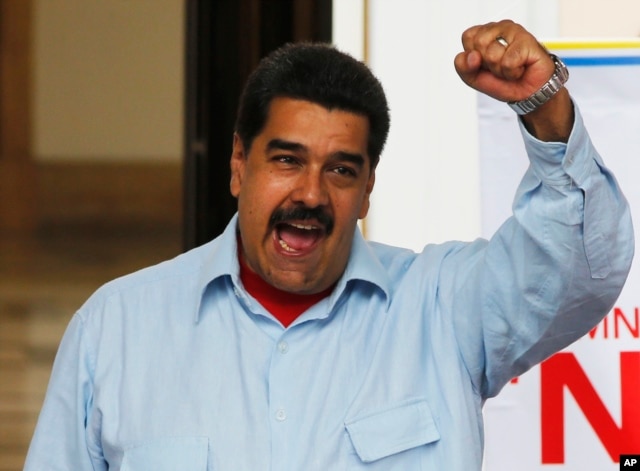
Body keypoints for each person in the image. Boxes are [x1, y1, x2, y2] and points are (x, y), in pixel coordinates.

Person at [25, 20, 633, 470]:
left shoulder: (443, 308)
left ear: (368, 188)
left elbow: (583, 268)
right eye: (287, 160)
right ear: (239, 164)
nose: (311, 194)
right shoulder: (117, 327)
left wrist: (546, 109)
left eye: (341, 170)